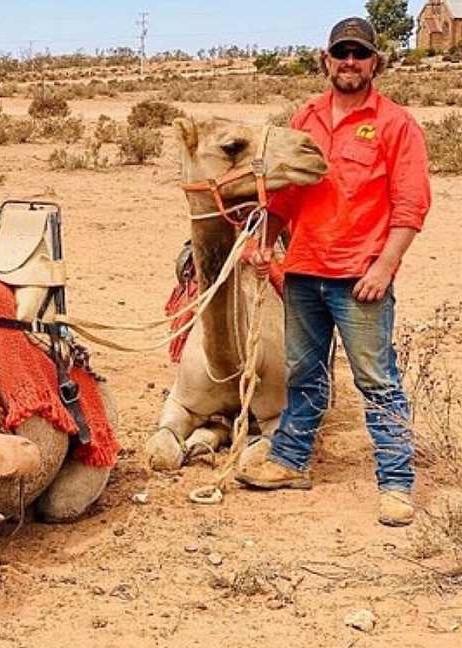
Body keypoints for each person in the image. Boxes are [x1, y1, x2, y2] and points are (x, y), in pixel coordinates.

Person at [234, 17, 431, 527]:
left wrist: (385, 267)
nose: (349, 62)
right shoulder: (305, 119)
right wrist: (262, 243)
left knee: (376, 381)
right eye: (340, 53)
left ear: (375, 64)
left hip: (361, 277)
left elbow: (410, 206)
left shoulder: (396, 124)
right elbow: (283, 195)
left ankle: (396, 483)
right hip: (303, 270)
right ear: (326, 60)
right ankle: (290, 462)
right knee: (306, 375)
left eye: (359, 54)